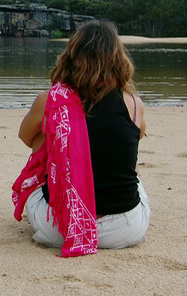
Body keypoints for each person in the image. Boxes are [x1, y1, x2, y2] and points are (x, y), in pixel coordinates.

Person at [12, 20, 150, 255]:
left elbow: (26, 137)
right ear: (118, 58)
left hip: (59, 228)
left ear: (71, 56)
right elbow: (136, 141)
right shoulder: (134, 104)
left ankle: (71, 203)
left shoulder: (50, 101)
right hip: (125, 229)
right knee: (132, 166)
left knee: (43, 138)